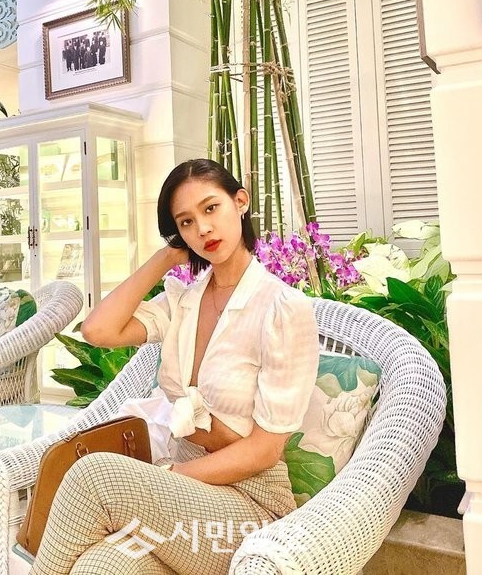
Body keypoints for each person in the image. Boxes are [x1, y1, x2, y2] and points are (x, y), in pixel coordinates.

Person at [31, 158, 319, 575]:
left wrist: (170, 475)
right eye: (186, 222)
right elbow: (98, 330)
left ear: (240, 202)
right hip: (181, 506)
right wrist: (165, 258)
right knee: (100, 565)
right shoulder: (182, 301)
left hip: (247, 512)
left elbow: (265, 449)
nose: (202, 229)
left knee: (95, 475)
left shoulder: (281, 309)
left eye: (210, 208)